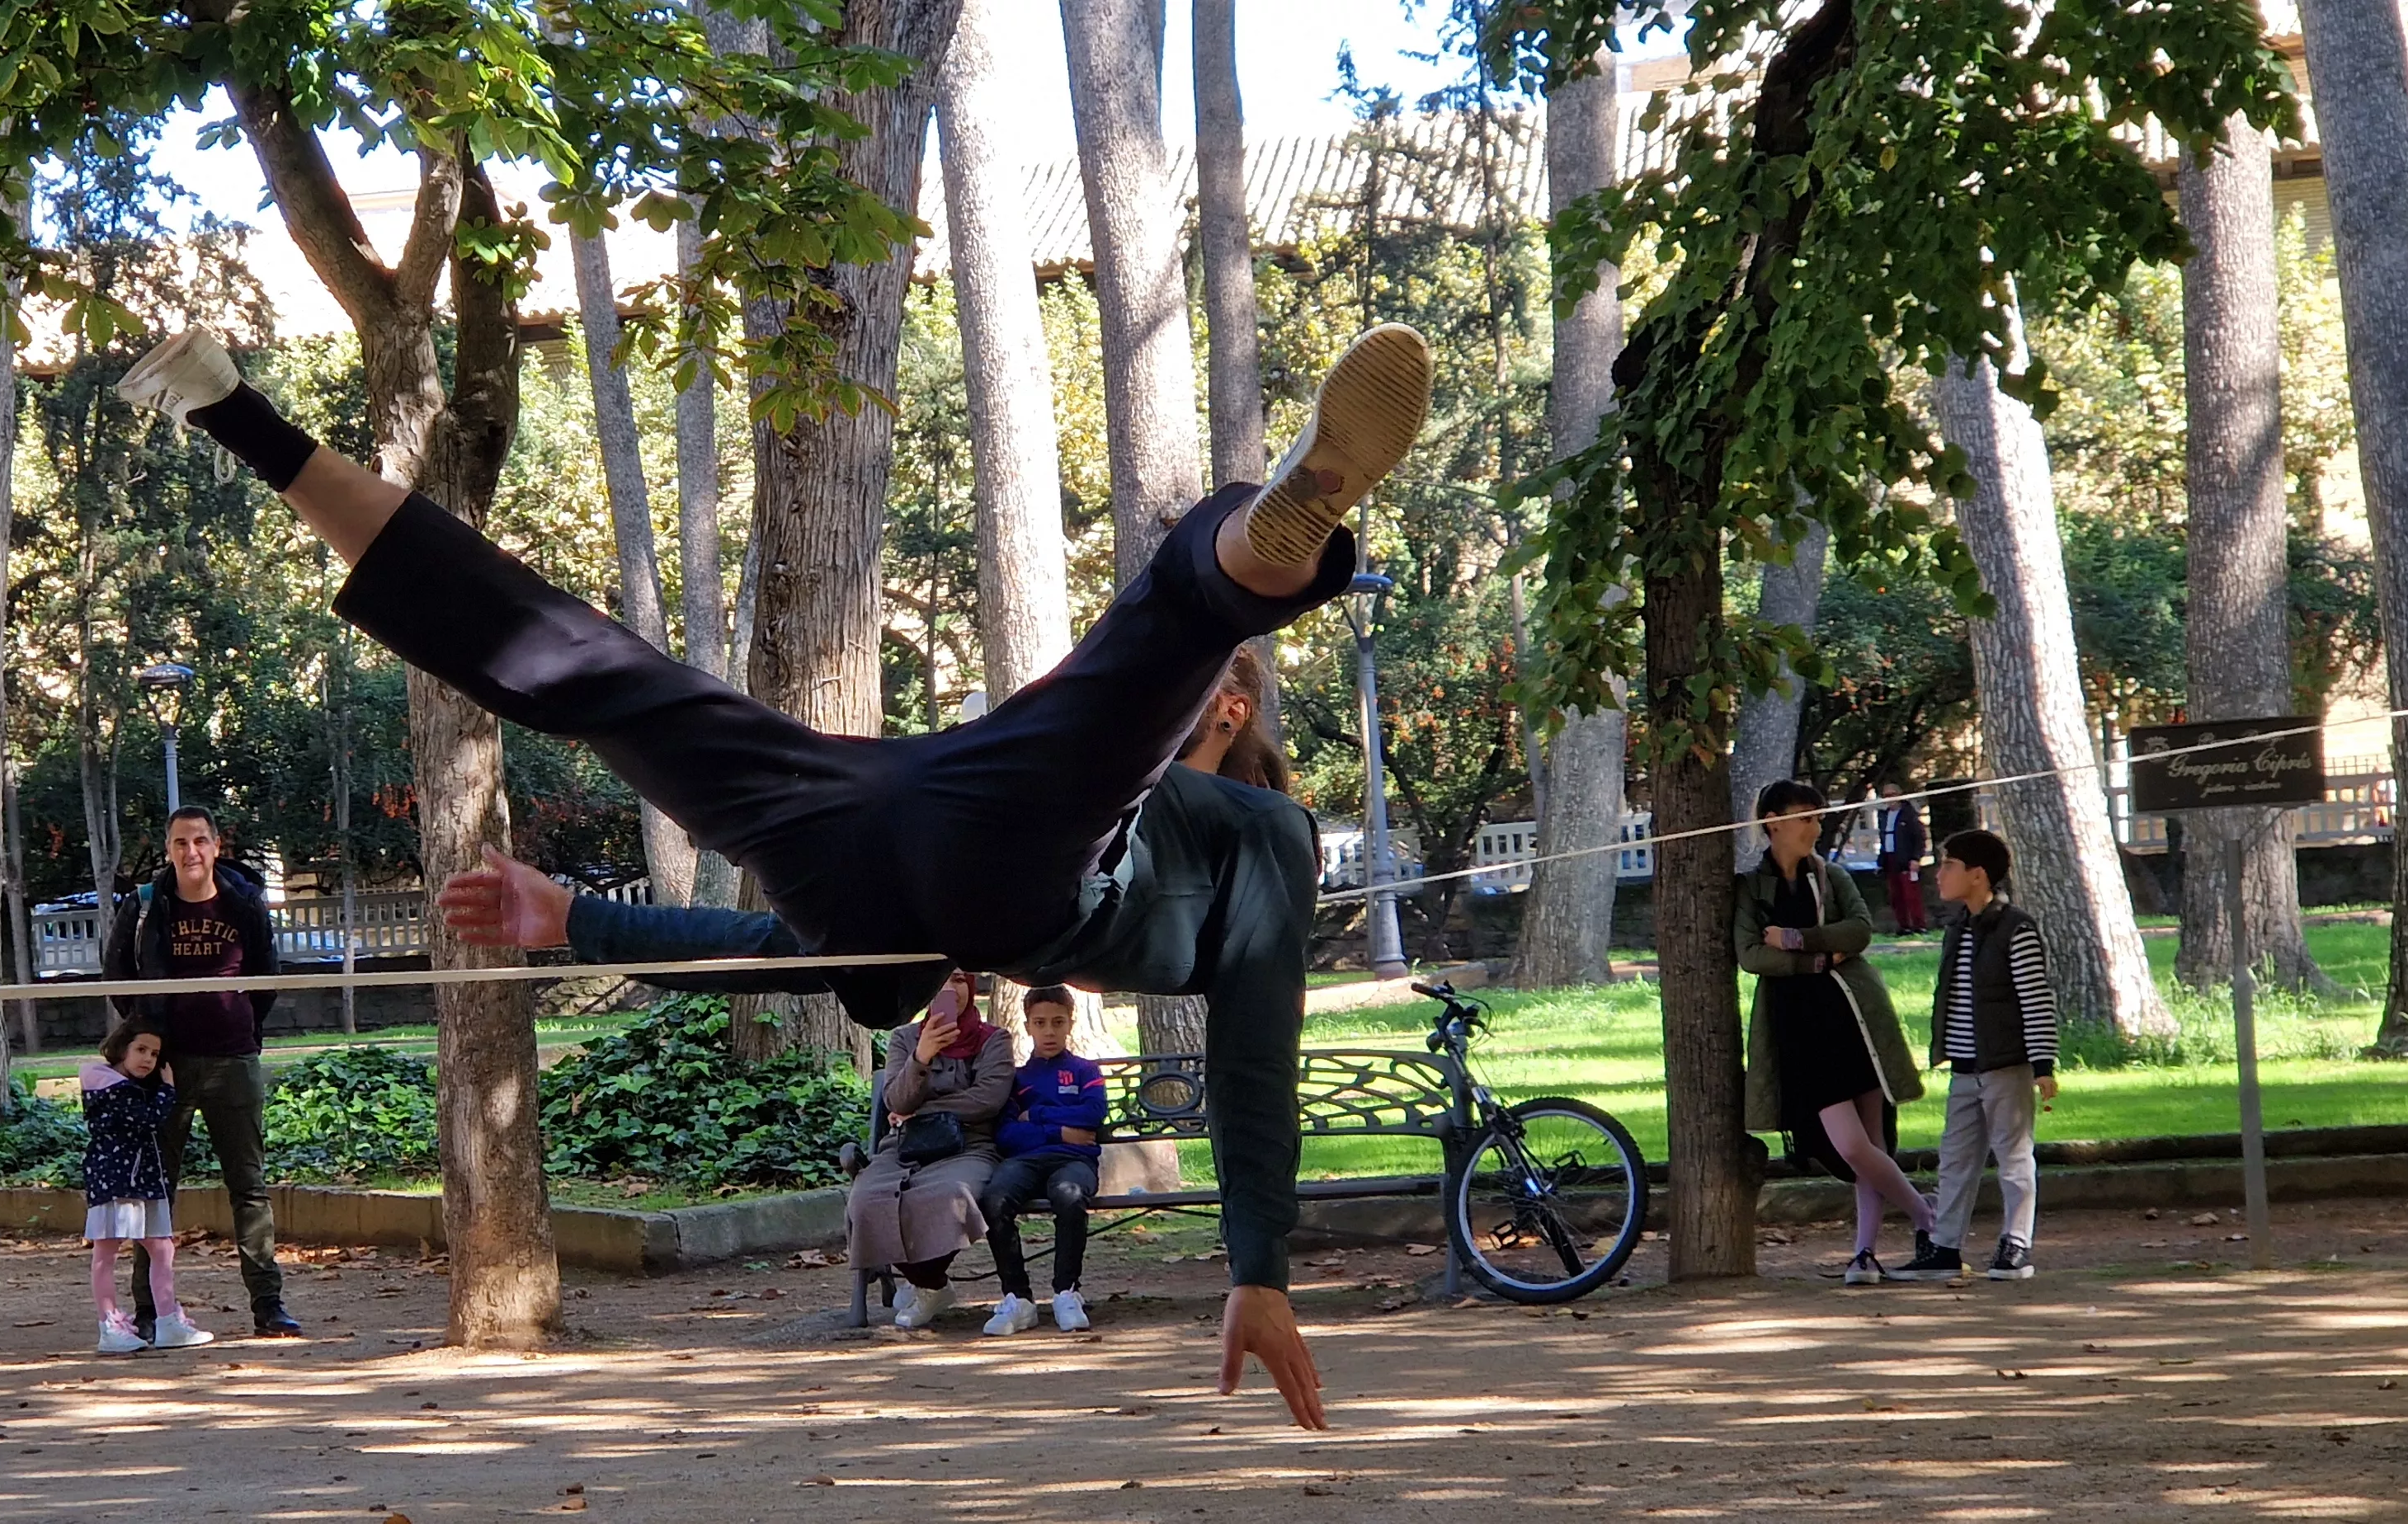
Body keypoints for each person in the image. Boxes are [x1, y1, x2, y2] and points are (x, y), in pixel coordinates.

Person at [117, 318, 1421, 1430]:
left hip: (879, 803)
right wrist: (1260, 1268)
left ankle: (234, 409)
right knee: (1132, 662)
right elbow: (1251, 1064)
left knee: (604, 671)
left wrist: (582, 919)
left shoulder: (1238, 832)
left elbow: (805, 960)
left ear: (1237, 725)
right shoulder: (1222, 835)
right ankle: (1257, 554)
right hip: (984, 854)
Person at [433, 655, 1324, 1416]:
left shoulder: (1253, 834)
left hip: (1016, 857)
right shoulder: (1065, 822)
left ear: (1226, 709)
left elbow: (1251, 1069)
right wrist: (582, 923)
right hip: (985, 834)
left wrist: (1257, 1271)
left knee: (855, 920)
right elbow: (794, 947)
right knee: (846, 917)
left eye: (1180, 693)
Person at [100, 806, 302, 1338]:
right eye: (180, 843)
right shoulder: (146, 905)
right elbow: (118, 973)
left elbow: (267, 975)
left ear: (215, 846)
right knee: (155, 1190)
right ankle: (151, 1312)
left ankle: (269, 1304)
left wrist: (243, 1028)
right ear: (169, 850)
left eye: (200, 841)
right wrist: (147, 1038)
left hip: (234, 1059)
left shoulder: (245, 901)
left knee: (249, 1187)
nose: (191, 852)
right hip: (166, 1070)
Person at [1738, 780, 1938, 1286]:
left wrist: (1799, 940)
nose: (1815, 826)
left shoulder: (1832, 877)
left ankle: (1864, 1256)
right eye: (1805, 817)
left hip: (1852, 1016)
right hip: (1798, 1025)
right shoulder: (1751, 888)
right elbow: (1751, 955)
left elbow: (1860, 930)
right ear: (1773, 822)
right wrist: (1818, 960)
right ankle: (1929, 1218)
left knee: (1873, 1141)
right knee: (1850, 1147)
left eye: (1818, 817)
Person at [1891, 829, 2059, 1282]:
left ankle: (2016, 1243)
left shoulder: (2015, 929)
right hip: (1965, 1068)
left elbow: (2035, 999)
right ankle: (1945, 1246)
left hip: (2006, 1066)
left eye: (1949, 865)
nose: (1939, 873)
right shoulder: (1958, 929)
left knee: (2013, 1157)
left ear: (1978, 875)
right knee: (1956, 1159)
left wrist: (2043, 1065)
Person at [844, 971, 1015, 1329]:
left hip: (969, 1146)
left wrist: (922, 1111)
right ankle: (933, 1284)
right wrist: (921, 1057)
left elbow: (988, 1099)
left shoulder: (993, 1040)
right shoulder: (905, 1039)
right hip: (905, 1146)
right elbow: (896, 1099)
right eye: (939, 981)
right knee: (866, 1199)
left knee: (950, 1195)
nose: (950, 990)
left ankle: (925, 1284)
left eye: (958, 979)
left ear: (971, 985)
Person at [79, 1019, 219, 1353]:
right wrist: (169, 1090)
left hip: (142, 1180)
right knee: (107, 1252)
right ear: (122, 1049)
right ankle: (110, 1326)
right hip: (118, 1181)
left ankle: (168, 1321)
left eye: (154, 1054)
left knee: (161, 1248)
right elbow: (147, 1118)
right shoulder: (110, 1087)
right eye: (141, 1050)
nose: (148, 1059)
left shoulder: (129, 1087)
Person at [978, 985, 1105, 1336]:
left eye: (1057, 1022)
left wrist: (1036, 1115)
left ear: (1070, 1024)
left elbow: (1093, 1113)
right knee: (995, 1199)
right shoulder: (1016, 1078)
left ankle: (1067, 1292)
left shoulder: (1085, 1071)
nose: (1049, 1031)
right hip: (1026, 1160)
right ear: (1028, 1025)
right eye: (1041, 1023)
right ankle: (1018, 1299)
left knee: (1069, 1196)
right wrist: (1061, 1130)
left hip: (1075, 1160)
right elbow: (1005, 1134)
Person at [1877, 783, 1932, 933]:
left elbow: (1919, 838)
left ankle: (1919, 925)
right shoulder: (1883, 816)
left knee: (1911, 894)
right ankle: (1903, 926)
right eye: (1886, 795)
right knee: (1896, 896)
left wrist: (1916, 858)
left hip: (1906, 859)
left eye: (1892, 795)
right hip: (1890, 858)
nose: (1889, 799)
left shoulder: (1909, 815)